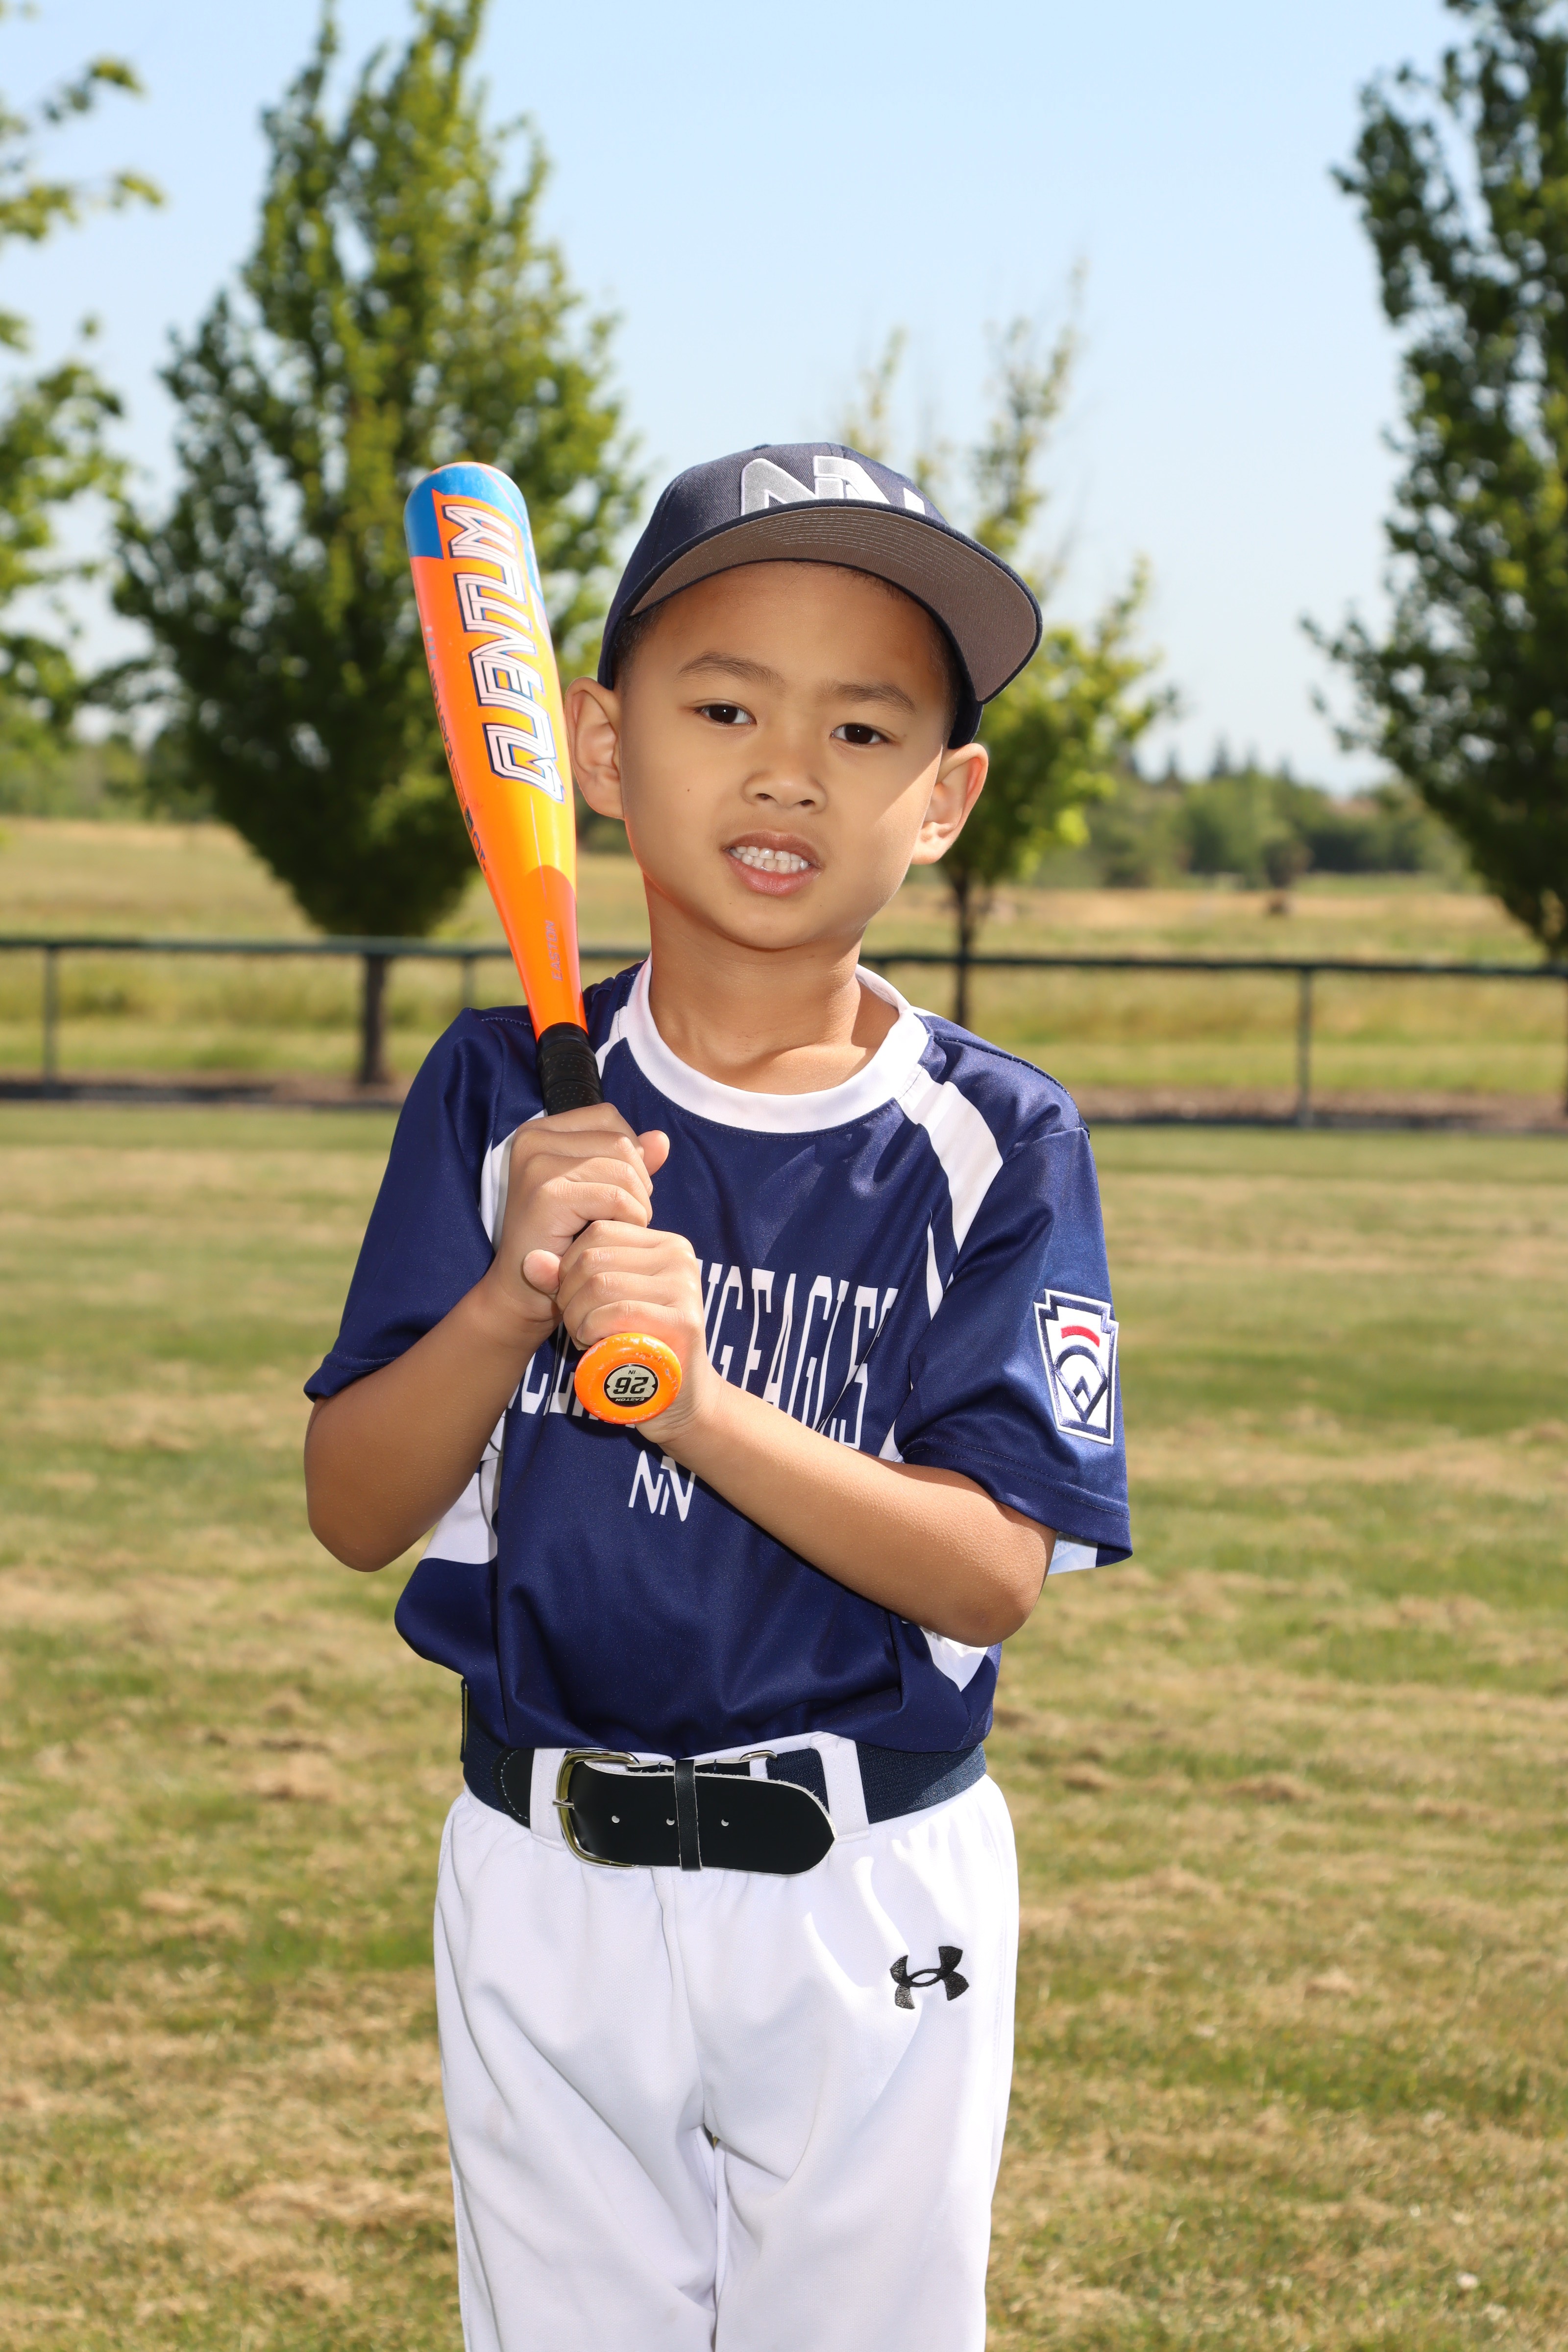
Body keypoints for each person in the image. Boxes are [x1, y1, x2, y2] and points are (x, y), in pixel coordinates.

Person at [303, 442, 1130, 2352]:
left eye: (863, 729)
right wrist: (512, 1295)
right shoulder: (500, 1094)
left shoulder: (991, 1138)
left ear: (943, 799)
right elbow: (354, 1508)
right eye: (726, 707)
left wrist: (689, 1403)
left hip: (863, 1880)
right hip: (546, 1870)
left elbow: (990, 1573)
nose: (787, 772)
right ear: (596, 746)